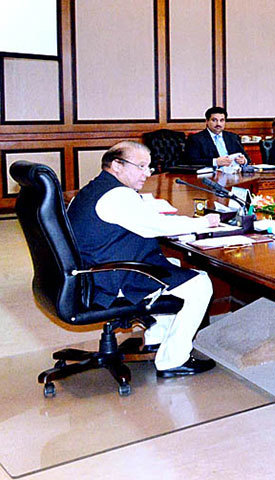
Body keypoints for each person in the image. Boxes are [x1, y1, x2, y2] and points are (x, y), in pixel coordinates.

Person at [67, 141, 218, 377]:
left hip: (88, 274)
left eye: (148, 167)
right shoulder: (117, 195)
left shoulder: (90, 190)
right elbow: (157, 227)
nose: (147, 174)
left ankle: (155, 339)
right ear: (116, 165)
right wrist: (203, 223)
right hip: (108, 281)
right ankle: (173, 360)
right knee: (200, 283)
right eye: (140, 166)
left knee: (175, 267)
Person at [183, 106, 249, 167]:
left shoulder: (233, 137)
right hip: (210, 176)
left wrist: (244, 161)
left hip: (234, 174)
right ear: (207, 121)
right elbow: (190, 161)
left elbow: (247, 158)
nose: (218, 124)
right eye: (214, 120)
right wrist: (215, 162)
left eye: (222, 120)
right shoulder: (196, 139)